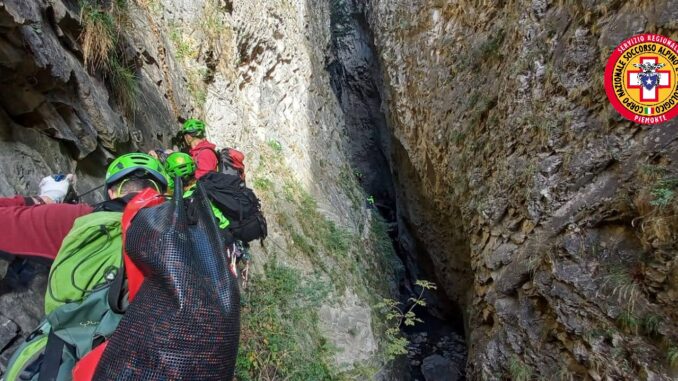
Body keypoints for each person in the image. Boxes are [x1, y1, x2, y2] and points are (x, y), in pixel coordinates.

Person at [0, 153, 168, 260]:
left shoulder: (75, 219)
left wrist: (46, 198)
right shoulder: (178, 235)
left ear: (110, 193)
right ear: (163, 195)